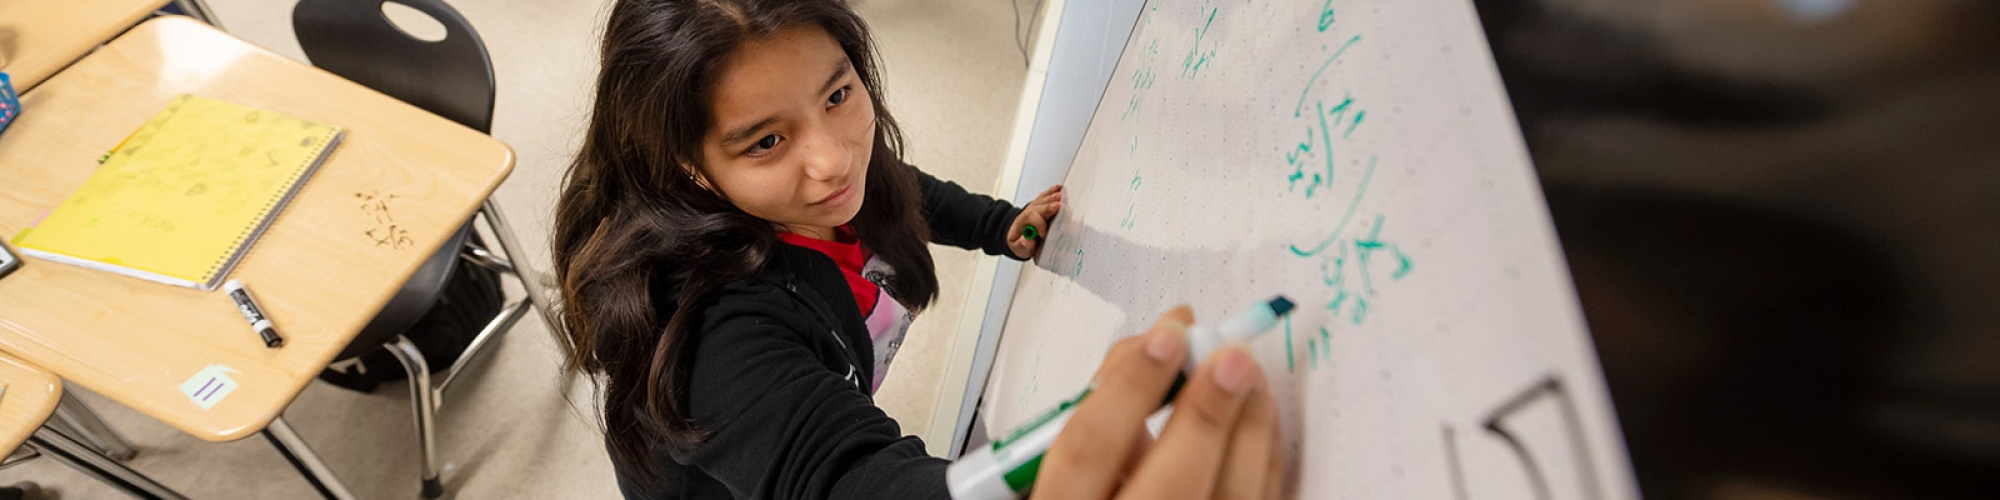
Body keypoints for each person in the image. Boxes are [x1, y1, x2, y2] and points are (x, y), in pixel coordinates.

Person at [551, 1, 1280, 498]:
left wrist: (1000, 226)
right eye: (768, 140)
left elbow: (903, 190)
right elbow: (842, 475)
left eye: (838, 95)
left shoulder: (827, 187)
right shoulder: (709, 338)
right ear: (689, 165)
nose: (835, 161)